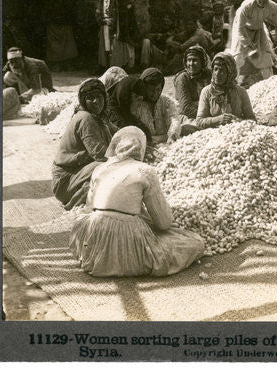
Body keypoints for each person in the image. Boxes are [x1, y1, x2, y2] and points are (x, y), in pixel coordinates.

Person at [69, 126, 205, 277]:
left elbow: (89, 209)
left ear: (116, 145)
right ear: (141, 147)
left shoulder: (100, 169)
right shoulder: (145, 171)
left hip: (92, 238)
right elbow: (164, 223)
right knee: (195, 243)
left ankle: (98, 257)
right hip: (126, 239)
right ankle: (126, 260)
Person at [52, 79, 117, 210]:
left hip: (78, 173)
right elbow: (99, 154)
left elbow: (118, 133)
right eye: (90, 98)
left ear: (104, 97)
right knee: (107, 167)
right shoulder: (86, 118)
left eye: (99, 97)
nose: (95, 101)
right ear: (83, 101)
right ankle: (73, 202)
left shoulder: (100, 117)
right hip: (66, 180)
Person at [227, 0, 277, 87]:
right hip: (242, 30)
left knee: (266, 58)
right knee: (237, 58)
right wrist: (249, 48)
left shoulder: (273, 6)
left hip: (258, 29)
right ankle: (231, 85)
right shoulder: (246, 6)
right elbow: (239, 29)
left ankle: (270, 85)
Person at [194, 52, 255, 130]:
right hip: (213, 135)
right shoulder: (207, 92)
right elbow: (199, 121)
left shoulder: (240, 91)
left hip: (236, 134)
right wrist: (217, 120)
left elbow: (252, 119)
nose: (217, 74)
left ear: (230, 73)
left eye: (222, 70)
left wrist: (237, 121)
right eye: (215, 69)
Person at [97, 0, 138, 71]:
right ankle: (105, 67)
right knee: (106, 45)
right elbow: (101, 4)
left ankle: (117, 67)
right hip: (106, 21)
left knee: (116, 46)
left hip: (118, 23)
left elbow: (117, 0)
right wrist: (102, 19)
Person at [131, 68, 182, 144]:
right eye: (151, 90)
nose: (155, 93)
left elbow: (174, 120)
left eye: (158, 89)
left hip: (167, 141)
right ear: (144, 88)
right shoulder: (138, 104)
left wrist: (172, 135)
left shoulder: (166, 101)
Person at [172, 46, 211, 119]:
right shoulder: (183, 79)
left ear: (202, 62)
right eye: (189, 60)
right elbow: (186, 108)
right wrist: (208, 116)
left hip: (207, 113)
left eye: (195, 60)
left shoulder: (208, 75)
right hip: (188, 116)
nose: (191, 64)